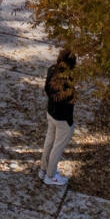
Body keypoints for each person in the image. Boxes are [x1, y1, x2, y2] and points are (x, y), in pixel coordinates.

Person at [40, 51, 77, 187]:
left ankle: (43, 169)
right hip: (63, 119)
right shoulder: (68, 80)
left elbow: (46, 88)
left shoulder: (52, 70)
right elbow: (69, 100)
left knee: (49, 141)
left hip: (51, 113)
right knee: (57, 147)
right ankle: (50, 175)